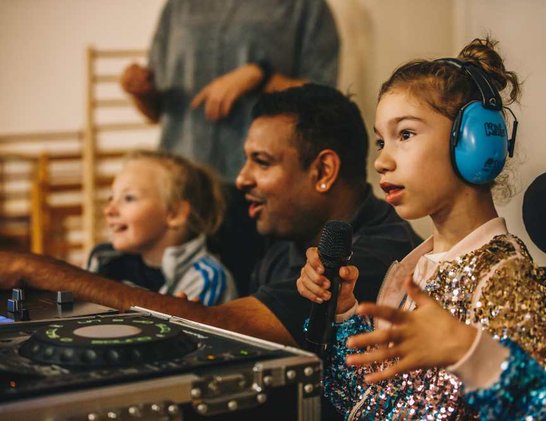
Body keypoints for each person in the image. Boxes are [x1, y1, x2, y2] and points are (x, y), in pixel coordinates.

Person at [0, 84, 420, 349]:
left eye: (262, 162)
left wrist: (32, 268)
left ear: (323, 171)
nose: (241, 179)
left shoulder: (376, 255)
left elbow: (229, 326)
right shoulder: (284, 241)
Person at [296, 38, 546, 419]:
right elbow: (367, 402)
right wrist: (343, 310)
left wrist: (467, 350)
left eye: (406, 134)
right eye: (382, 141)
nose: (381, 160)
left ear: (472, 143)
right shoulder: (418, 267)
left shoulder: (504, 276)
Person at [120, 0, 340, 293]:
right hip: (182, 190)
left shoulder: (303, 7)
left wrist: (261, 77)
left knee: (245, 306)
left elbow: (325, 100)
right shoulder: (178, 7)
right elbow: (157, 111)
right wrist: (140, 92)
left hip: (254, 191)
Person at [86, 150, 236, 306]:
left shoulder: (206, 279)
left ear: (174, 214)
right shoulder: (101, 257)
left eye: (128, 198)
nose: (109, 210)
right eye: (111, 197)